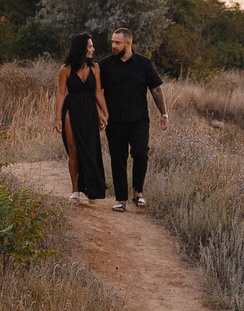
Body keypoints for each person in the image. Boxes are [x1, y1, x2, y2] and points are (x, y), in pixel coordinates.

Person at [97, 27, 167, 211]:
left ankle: (138, 193)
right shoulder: (104, 65)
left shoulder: (144, 63)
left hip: (139, 120)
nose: (113, 45)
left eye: (117, 42)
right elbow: (97, 92)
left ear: (128, 43)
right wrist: (100, 114)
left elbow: (156, 89)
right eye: (112, 41)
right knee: (118, 159)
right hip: (115, 122)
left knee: (140, 154)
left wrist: (164, 113)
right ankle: (121, 200)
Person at [52, 32, 108, 204]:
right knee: (73, 149)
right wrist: (57, 118)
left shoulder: (95, 68)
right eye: (90, 46)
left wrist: (105, 113)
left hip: (90, 110)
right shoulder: (65, 69)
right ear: (81, 48)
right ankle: (75, 190)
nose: (93, 49)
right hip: (72, 110)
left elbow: (98, 92)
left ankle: (92, 190)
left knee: (91, 148)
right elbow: (61, 94)